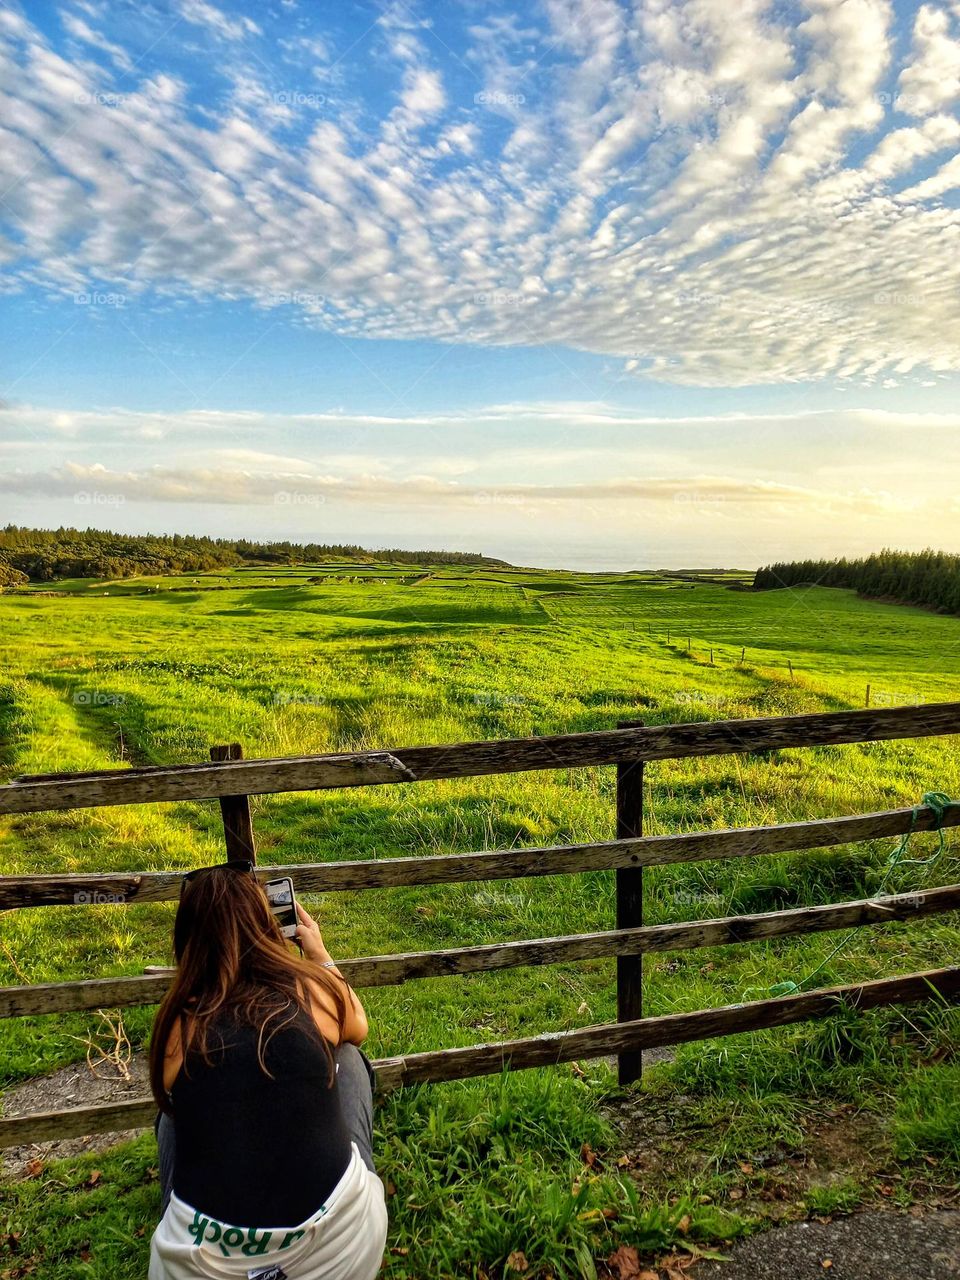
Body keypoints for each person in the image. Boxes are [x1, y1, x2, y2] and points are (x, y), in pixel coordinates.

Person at [147, 860, 388, 1280]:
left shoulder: (180, 1025)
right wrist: (318, 953)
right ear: (266, 925)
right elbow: (359, 1027)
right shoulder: (311, 990)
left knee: (173, 1118)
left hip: (199, 1270)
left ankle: (181, 1211)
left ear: (189, 940)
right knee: (347, 1058)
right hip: (340, 1256)